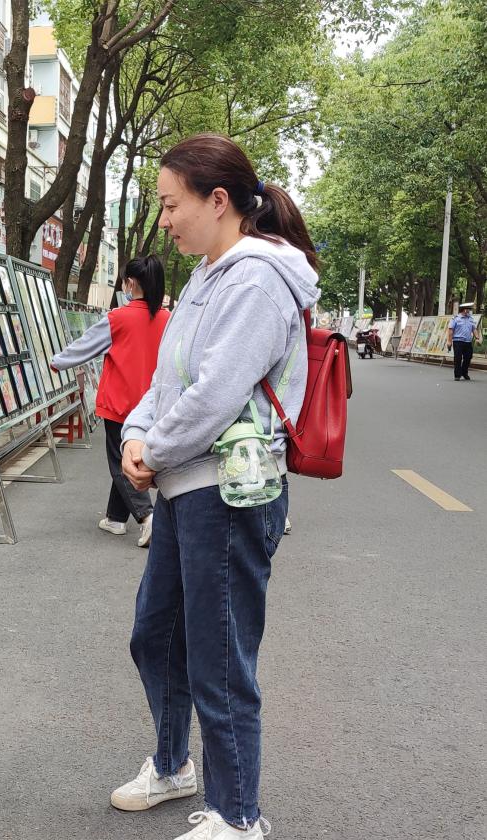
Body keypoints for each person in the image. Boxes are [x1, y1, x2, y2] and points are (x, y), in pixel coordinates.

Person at [115, 133, 320, 840]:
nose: (164, 220)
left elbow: (213, 396)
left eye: (172, 205)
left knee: (219, 662)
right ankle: (174, 765)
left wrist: (153, 448)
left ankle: (237, 817)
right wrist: (133, 439)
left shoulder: (258, 279)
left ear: (218, 200)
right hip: (182, 486)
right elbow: (164, 383)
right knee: (155, 637)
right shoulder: (208, 274)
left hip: (228, 495)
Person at [51, 256, 171, 548]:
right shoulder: (168, 319)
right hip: (154, 404)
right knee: (129, 458)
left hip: (120, 403)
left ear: (130, 283)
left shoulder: (118, 317)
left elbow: (85, 346)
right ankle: (115, 518)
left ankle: (147, 517)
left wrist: (56, 363)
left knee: (120, 462)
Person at [448, 302, 480, 381]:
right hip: (458, 341)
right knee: (458, 358)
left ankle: (464, 372)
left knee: (468, 357)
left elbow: (474, 329)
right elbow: (451, 330)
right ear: (464, 310)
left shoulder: (470, 319)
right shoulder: (455, 319)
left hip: (468, 342)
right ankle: (457, 375)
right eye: (468, 309)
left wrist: (477, 337)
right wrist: (449, 341)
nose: (469, 311)